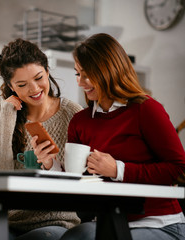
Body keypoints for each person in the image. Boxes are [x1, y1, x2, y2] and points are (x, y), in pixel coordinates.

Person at [55, 33, 185, 240]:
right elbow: (77, 180)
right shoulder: (80, 121)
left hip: (159, 224)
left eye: (88, 75)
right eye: (77, 74)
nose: (81, 82)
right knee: (74, 237)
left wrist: (118, 169)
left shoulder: (146, 110)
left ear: (109, 71)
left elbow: (179, 168)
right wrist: (51, 165)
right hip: (106, 222)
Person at [0, 38, 83, 240]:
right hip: (7, 221)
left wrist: (49, 165)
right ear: (10, 86)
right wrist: (7, 117)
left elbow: (80, 180)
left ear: (47, 71)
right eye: (22, 84)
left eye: (39, 78)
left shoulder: (72, 114)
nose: (34, 89)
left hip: (55, 222)